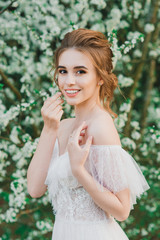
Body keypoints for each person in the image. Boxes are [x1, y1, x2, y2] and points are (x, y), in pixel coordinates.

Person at [27, 28, 150, 240]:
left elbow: (122, 210)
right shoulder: (62, 126)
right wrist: (49, 129)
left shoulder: (100, 126)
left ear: (100, 77)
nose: (69, 81)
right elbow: (34, 188)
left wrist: (79, 171)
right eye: (63, 71)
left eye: (80, 71)